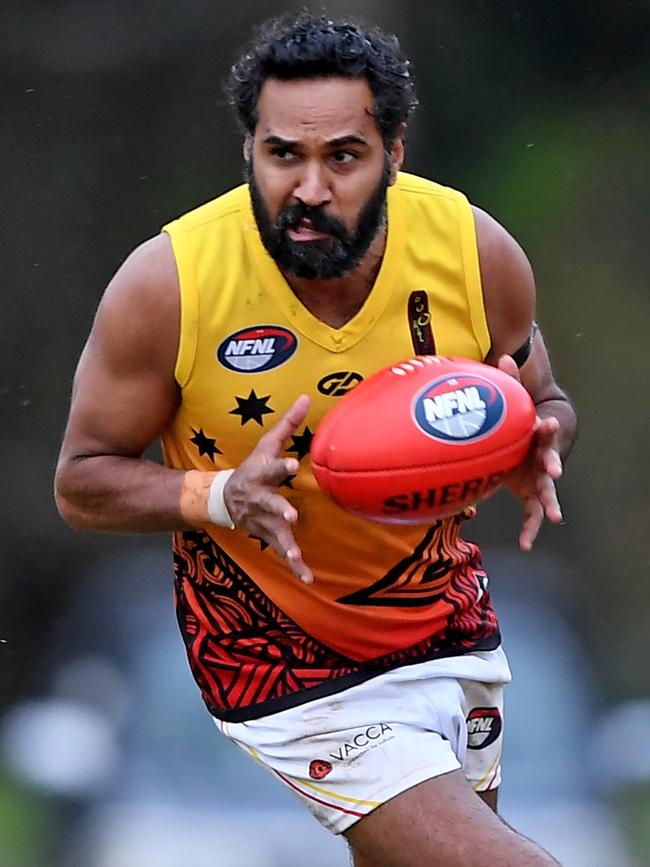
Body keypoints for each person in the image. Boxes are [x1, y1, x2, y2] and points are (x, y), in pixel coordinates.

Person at [55, 12, 577, 867]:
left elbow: (540, 393)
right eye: (282, 155)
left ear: (393, 152)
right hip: (278, 654)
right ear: (250, 152)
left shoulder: (473, 253)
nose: (308, 188)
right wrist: (222, 495)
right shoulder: (170, 284)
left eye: (342, 156)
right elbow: (81, 481)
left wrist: (536, 438)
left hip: (444, 621)